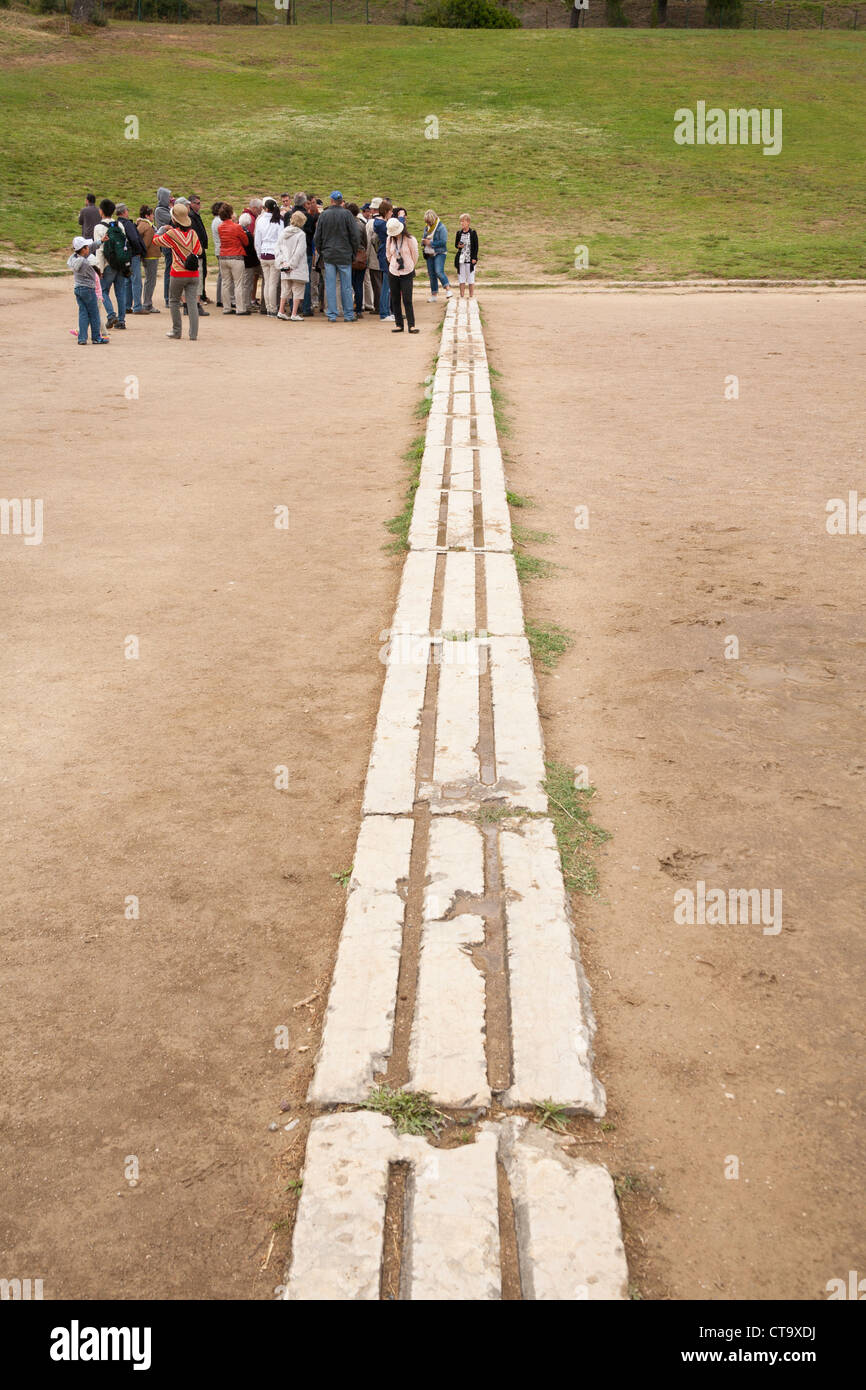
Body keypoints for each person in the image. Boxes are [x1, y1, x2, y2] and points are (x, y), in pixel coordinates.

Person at [152, 198, 202, 341]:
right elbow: (198, 251)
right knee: (192, 302)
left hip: (178, 272)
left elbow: (156, 240)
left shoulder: (172, 234)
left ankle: (176, 331)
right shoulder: (193, 233)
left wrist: (161, 230)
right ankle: (193, 334)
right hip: (193, 272)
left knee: (174, 301)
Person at [313, 191, 360, 324]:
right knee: (346, 286)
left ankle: (332, 314)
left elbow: (317, 237)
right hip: (344, 254)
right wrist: (353, 252)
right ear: (341, 201)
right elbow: (355, 236)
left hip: (329, 254)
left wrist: (322, 251)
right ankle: (348, 314)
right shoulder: (347, 214)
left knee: (330, 285)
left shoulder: (324, 215)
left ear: (331, 200)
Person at [94, 198, 130, 330]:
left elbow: (100, 250)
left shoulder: (98, 227)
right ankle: (121, 321)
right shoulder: (119, 225)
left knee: (103, 290)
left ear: (101, 211)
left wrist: (100, 268)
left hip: (108, 264)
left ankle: (111, 315)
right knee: (120, 291)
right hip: (120, 263)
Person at [68, 235, 109, 344]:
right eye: (86, 247)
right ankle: (96, 337)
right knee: (94, 313)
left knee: (83, 313)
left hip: (78, 288)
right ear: (83, 250)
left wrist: (99, 241)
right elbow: (94, 273)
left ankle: (82, 338)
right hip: (88, 289)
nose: (89, 249)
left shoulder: (74, 258)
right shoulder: (86, 262)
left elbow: (88, 247)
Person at [385, 215, 419, 334]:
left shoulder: (410, 239)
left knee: (407, 299)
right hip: (394, 271)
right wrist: (395, 264)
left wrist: (408, 265)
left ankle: (411, 325)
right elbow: (388, 254)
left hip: (407, 272)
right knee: (395, 298)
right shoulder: (389, 239)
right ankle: (399, 324)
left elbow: (415, 255)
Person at [216, 203, 249, 315]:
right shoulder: (236, 227)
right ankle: (240, 308)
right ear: (230, 213)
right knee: (238, 283)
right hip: (236, 256)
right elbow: (245, 241)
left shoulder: (220, 227)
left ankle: (226, 307)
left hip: (223, 255)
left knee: (225, 283)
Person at [276, 210, 308, 321]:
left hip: (285, 264)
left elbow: (279, 249)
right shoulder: (301, 234)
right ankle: (294, 313)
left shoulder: (283, 233)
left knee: (285, 289)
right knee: (297, 289)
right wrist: (291, 265)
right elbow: (299, 252)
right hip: (297, 267)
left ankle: (281, 310)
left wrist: (284, 263)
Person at [115, 203, 146, 314]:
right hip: (133, 254)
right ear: (124, 212)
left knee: (127, 280)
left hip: (122, 255)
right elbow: (134, 238)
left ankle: (127, 305)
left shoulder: (116, 224)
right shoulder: (127, 224)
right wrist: (139, 251)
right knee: (136, 281)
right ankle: (137, 306)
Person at [254, 197, 282, 316]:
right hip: (274, 253)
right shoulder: (279, 221)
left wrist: (259, 254)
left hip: (264, 253)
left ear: (266, 208)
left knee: (267, 282)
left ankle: (268, 307)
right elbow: (281, 239)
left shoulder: (260, 221)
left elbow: (257, 240)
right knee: (273, 283)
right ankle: (272, 308)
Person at [421, 209, 452, 304]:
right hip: (429, 253)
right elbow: (423, 238)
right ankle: (434, 295)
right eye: (427, 222)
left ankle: (448, 289)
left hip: (440, 252)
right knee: (431, 274)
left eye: (429, 222)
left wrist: (430, 243)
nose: (428, 224)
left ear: (433, 219)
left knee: (439, 271)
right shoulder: (426, 228)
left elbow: (443, 242)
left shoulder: (441, 228)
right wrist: (423, 242)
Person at [372, 199, 394, 322]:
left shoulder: (380, 223)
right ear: (386, 211)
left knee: (388, 286)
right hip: (385, 256)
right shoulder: (381, 224)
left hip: (385, 255)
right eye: (390, 212)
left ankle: (387, 311)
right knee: (386, 286)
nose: (392, 214)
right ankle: (384, 313)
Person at [136, 205, 161, 313]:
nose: (153, 216)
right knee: (151, 280)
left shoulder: (141, 225)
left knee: (148, 280)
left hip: (148, 256)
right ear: (147, 215)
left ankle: (147, 302)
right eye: (151, 214)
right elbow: (146, 244)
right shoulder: (148, 227)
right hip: (151, 256)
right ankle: (147, 303)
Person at [187, 195, 210, 310]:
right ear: (191, 204)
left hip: (200, 249)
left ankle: (201, 296)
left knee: (202, 274)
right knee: (199, 275)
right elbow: (195, 234)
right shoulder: (191, 216)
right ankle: (197, 300)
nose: (199, 205)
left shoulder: (195, 215)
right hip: (197, 251)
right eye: (197, 203)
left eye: (199, 203)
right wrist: (199, 249)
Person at [347, 202, 367, 318]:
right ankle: (358, 309)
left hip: (349, 256)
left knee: (348, 285)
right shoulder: (361, 225)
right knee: (359, 285)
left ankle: (350, 308)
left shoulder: (347, 225)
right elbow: (365, 241)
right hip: (360, 255)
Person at [154, 187, 173, 306]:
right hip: (166, 244)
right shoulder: (160, 210)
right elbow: (173, 219)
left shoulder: (166, 209)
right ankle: (167, 298)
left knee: (172, 270)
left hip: (171, 242)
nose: (171, 199)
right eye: (169, 197)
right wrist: (173, 207)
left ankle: (172, 297)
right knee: (169, 270)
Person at [454, 213, 479, 298]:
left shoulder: (473, 233)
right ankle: (462, 296)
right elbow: (456, 245)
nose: (462, 223)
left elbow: (476, 246)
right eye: (461, 221)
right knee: (461, 278)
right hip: (461, 259)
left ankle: (471, 296)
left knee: (471, 278)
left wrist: (474, 258)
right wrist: (459, 246)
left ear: (468, 222)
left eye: (463, 221)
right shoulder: (459, 233)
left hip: (470, 259)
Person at [210, 199, 228, 308]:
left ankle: (220, 298)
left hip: (219, 249)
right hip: (221, 249)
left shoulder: (216, 220)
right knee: (223, 276)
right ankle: (221, 299)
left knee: (221, 275)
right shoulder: (219, 221)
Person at [302, 195, 318, 316]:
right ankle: (304, 305)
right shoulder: (307, 217)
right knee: (306, 279)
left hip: (313, 250)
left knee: (314, 279)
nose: (311, 205)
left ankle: (313, 301)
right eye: (309, 203)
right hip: (307, 250)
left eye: (313, 203)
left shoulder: (317, 216)